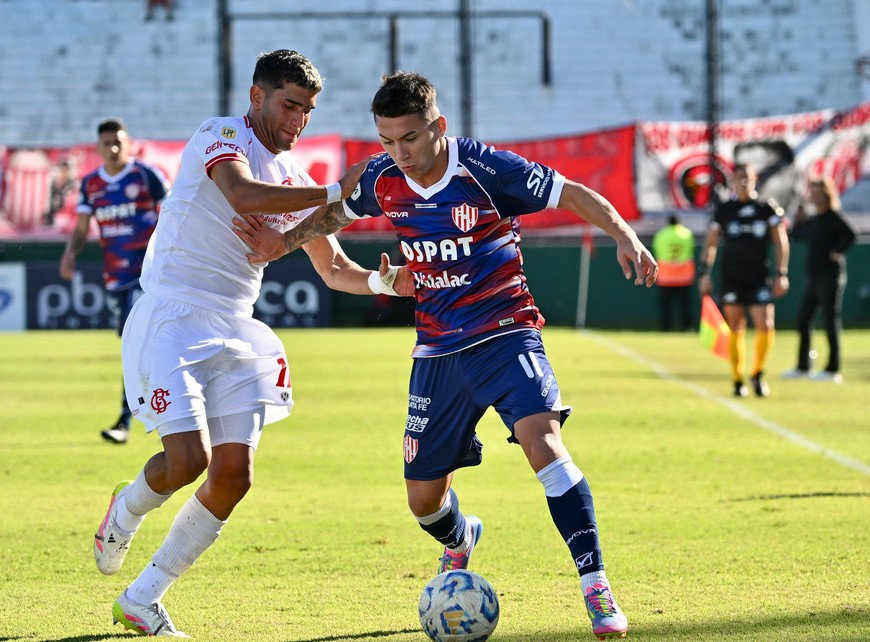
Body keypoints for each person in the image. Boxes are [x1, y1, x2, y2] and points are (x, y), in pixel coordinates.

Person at [235, 70, 658, 641]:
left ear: (438, 126)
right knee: (423, 502)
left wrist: (624, 235)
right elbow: (333, 217)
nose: (399, 153)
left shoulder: (486, 169)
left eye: (409, 138)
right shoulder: (382, 177)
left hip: (505, 333)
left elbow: (573, 193)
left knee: (545, 445)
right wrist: (281, 243)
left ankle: (596, 586)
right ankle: (461, 537)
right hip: (437, 351)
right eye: (387, 141)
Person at [93, 49, 410, 638]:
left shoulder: (296, 179)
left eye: (308, 110)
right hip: (173, 315)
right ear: (257, 96)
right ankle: (128, 506)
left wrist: (384, 283)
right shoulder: (220, 136)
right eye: (290, 105)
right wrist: (333, 191)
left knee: (234, 476)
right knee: (188, 461)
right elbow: (241, 193)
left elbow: (333, 268)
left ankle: (141, 598)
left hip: (238, 328)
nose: (299, 121)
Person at [60, 118, 171, 444]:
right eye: (106, 143)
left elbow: (174, 214)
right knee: (136, 346)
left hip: (149, 274)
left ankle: (128, 419)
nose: (112, 149)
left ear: (128, 143)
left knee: (137, 344)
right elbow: (82, 228)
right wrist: (70, 254)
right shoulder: (91, 184)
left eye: (117, 143)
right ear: (98, 147)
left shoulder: (146, 175)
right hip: (116, 276)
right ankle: (153, 409)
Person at [698, 163, 789, 398]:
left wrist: (781, 273)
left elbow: (781, 241)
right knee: (735, 326)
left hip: (758, 276)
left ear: (755, 179)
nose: (744, 181)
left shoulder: (766, 209)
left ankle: (757, 372)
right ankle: (738, 379)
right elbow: (711, 244)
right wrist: (704, 274)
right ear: (733, 181)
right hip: (732, 276)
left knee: (765, 325)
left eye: (747, 177)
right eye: (739, 177)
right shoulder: (725, 210)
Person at [782, 177, 857, 383]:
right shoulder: (814, 219)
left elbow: (851, 234)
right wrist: (798, 219)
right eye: (812, 191)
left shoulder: (833, 217)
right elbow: (797, 234)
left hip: (830, 276)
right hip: (813, 277)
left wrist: (837, 251)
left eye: (818, 191)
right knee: (803, 320)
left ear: (826, 194)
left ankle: (833, 369)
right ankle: (803, 366)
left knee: (830, 321)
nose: (814, 195)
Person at [651, 213, 696, 331]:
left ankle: (665, 328)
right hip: (684, 275)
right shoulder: (687, 234)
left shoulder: (661, 235)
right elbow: (690, 251)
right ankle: (686, 327)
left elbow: (658, 251)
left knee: (665, 305)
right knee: (685, 305)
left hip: (666, 276)